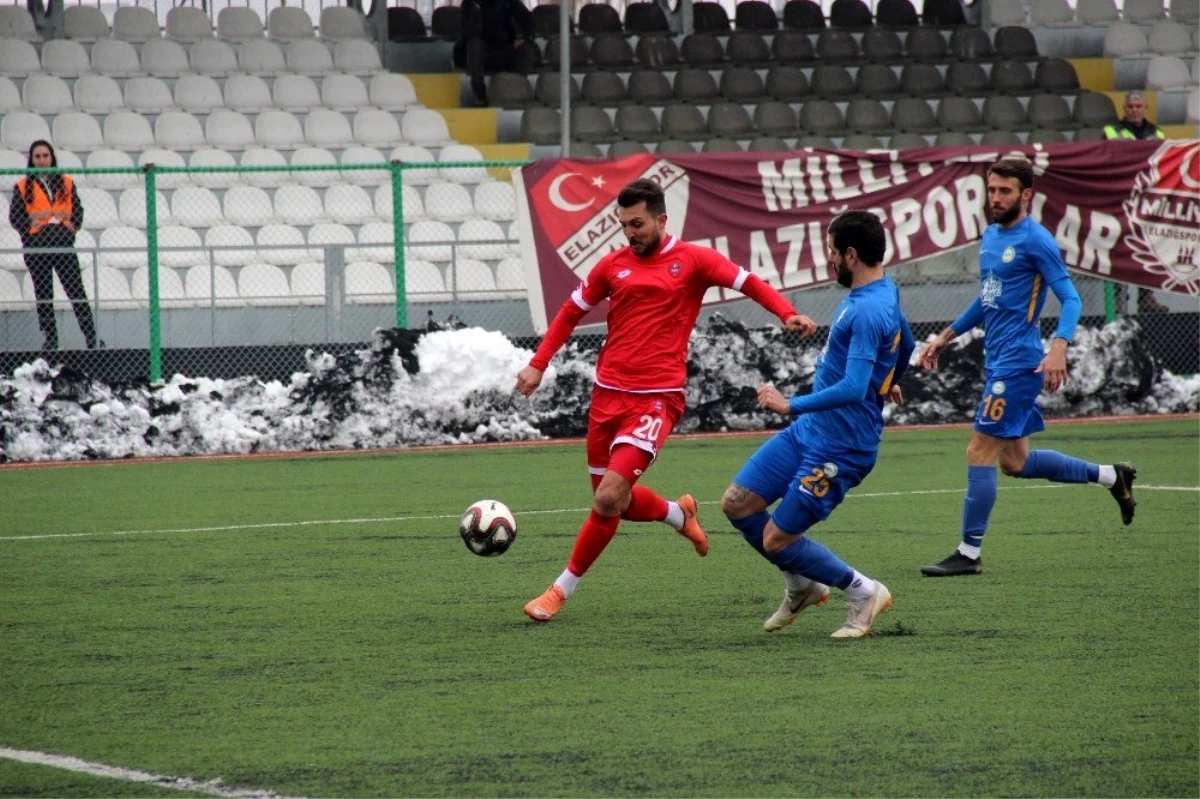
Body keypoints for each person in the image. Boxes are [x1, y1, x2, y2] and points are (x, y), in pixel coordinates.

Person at [517, 178, 817, 622]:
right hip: (606, 399)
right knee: (611, 500)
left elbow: (747, 281)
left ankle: (559, 590)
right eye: (623, 225)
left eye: (637, 223)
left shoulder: (693, 260)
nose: (630, 233)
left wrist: (785, 311)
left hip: (655, 401)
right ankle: (679, 513)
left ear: (661, 219)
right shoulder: (611, 266)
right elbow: (569, 312)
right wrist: (538, 363)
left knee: (606, 501)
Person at [918, 158, 1136, 578]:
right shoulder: (990, 236)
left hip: (1019, 363)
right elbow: (988, 299)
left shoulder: (1037, 241)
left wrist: (1057, 348)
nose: (995, 198)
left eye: (1004, 191)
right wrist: (947, 335)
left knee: (978, 449)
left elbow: (1070, 300)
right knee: (1015, 462)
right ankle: (1112, 477)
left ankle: (968, 553)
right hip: (998, 360)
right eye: (992, 189)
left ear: (1027, 195)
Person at [721, 210, 914, 639]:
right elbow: (907, 338)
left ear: (850, 254)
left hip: (841, 447)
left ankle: (864, 591)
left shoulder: (867, 310)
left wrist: (790, 404)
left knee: (775, 539)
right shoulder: (882, 292)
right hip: (812, 431)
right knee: (737, 503)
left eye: (831, 252)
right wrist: (891, 379)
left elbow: (852, 387)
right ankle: (803, 585)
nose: (829, 260)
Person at [8, 139, 98, 351]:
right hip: (37, 247)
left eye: (45, 156)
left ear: (52, 158)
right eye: (37, 157)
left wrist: (69, 230)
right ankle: (51, 340)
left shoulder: (66, 182)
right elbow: (16, 217)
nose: (41, 160)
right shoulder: (22, 186)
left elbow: (77, 212)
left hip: (63, 244)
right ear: (32, 160)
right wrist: (32, 236)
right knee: (44, 294)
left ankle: (92, 337)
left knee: (76, 291)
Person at [453, 0, 538, 107]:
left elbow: (528, 19)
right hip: (482, 53)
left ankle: (515, 88)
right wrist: (476, 11)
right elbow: (466, 34)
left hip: (506, 49)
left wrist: (525, 38)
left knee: (526, 49)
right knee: (474, 45)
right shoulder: (469, 4)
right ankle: (480, 96)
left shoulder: (509, 2)